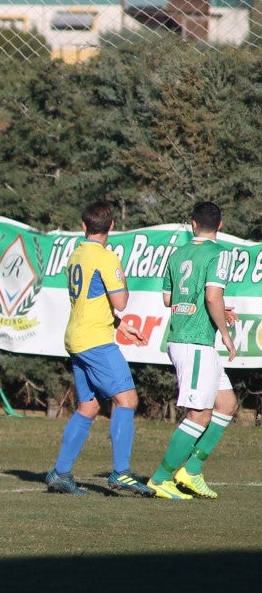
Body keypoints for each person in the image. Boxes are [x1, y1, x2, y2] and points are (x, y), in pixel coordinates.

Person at [45, 201, 154, 496]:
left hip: (77, 338)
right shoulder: (106, 258)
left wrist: (119, 326)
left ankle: (60, 472)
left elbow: (90, 302)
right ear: (111, 227)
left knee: (89, 406)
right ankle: (121, 473)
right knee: (128, 400)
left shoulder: (76, 255)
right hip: (95, 341)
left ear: (84, 226)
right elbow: (120, 302)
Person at [146, 201, 238, 500]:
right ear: (220, 226)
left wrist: (218, 311)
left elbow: (167, 298)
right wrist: (224, 332)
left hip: (187, 337)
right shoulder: (219, 253)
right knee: (199, 416)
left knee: (226, 404)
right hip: (195, 341)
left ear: (193, 224)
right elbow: (213, 295)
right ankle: (161, 477)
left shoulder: (178, 253)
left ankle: (192, 470)